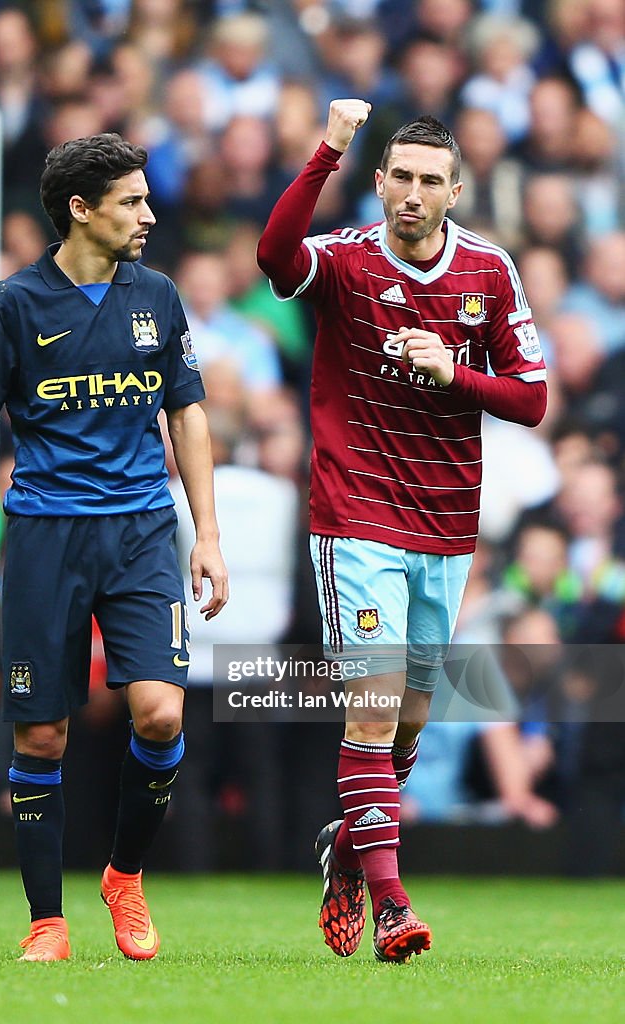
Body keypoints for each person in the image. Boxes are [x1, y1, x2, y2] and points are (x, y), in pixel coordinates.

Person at [257, 99, 547, 963]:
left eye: (431, 181)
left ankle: (347, 850)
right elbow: (274, 258)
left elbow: (530, 400)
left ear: (454, 190)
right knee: (374, 712)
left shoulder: (489, 271)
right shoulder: (344, 262)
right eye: (401, 178)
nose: (413, 194)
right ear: (378, 183)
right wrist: (329, 147)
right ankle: (391, 903)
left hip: (447, 524)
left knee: (411, 725)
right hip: (354, 515)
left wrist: (453, 372)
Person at [0, 133, 228, 962]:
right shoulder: (12, 304)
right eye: (131, 201)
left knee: (161, 710)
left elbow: (187, 412)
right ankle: (47, 921)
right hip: (43, 533)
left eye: (145, 198)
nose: (148, 213)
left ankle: (125, 875)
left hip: (142, 528)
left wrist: (205, 531)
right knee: (42, 737)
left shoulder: (159, 297)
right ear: (80, 208)